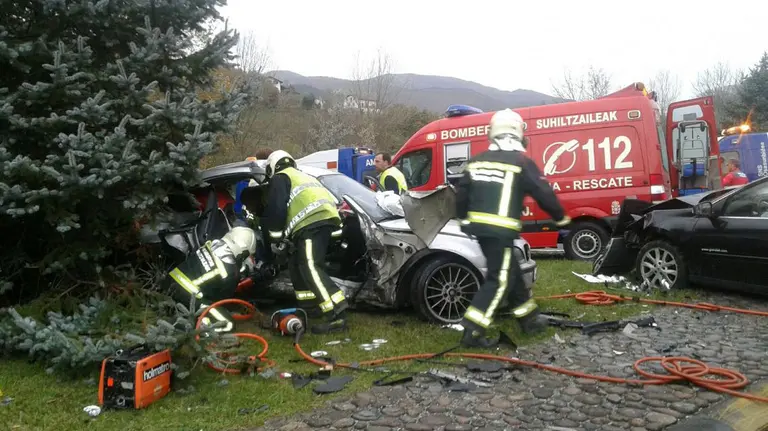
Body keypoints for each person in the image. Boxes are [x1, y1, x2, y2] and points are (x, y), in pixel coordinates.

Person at [455, 109, 571, 348]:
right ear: (518, 133)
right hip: (501, 232)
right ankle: (472, 330)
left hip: (482, 232)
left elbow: (461, 193)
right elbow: (543, 193)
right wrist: (560, 218)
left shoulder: (476, 161)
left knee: (512, 273)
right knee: (499, 280)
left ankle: (529, 319)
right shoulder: (521, 162)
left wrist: (463, 219)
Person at [260, 150, 349, 334]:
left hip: (311, 224)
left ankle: (337, 312)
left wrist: (274, 237)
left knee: (310, 266)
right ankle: (310, 307)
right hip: (324, 220)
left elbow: (276, 208)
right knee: (297, 265)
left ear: (272, 167)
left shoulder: (280, 177)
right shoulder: (302, 175)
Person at [168, 227, 257, 333]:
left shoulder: (211, 244)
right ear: (242, 250)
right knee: (228, 324)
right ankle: (192, 330)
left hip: (171, 281)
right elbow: (220, 301)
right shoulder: (229, 272)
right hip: (187, 295)